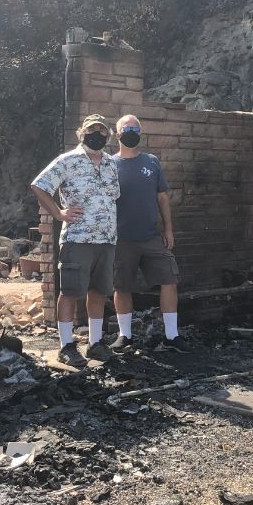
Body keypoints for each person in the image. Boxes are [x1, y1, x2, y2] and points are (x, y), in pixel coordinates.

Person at [30, 113, 120, 367]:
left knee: (98, 292)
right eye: (93, 130)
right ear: (81, 132)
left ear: (108, 136)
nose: (98, 135)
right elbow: (39, 186)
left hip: (106, 239)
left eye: (103, 131)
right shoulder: (67, 161)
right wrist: (58, 213)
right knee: (69, 292)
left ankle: (95, 343)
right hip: (77, 238)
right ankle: (67, 346)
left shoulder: (111, 164)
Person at [110, 114, 187, 353]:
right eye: (126, 128)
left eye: (135, 128)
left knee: (169, 280)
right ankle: (125, 335)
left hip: (152, 236)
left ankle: (172, 336)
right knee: (122, 286)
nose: (131, 131)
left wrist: (168, 229)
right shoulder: (108, 165)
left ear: (141, 132)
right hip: (120, 239)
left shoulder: (151, 162)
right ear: (117, 134)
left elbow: (162, 197)